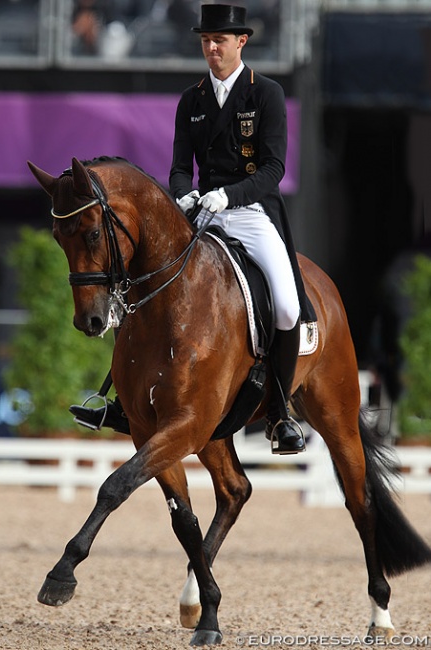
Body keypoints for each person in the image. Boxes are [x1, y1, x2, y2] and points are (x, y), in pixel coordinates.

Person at [72, 3, 310, 454]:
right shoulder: (193, 99)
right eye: (205, 41)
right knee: (140, 286)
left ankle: (281, 414)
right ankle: (123, 402)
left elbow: (274, 167)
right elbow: (181, 167)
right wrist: (182, 194)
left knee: (284, 305)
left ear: (241, 42)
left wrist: (231, 194)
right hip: (201, 212)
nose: (212, 49)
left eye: (219, 41)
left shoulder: (266, 95)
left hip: (251, 211)